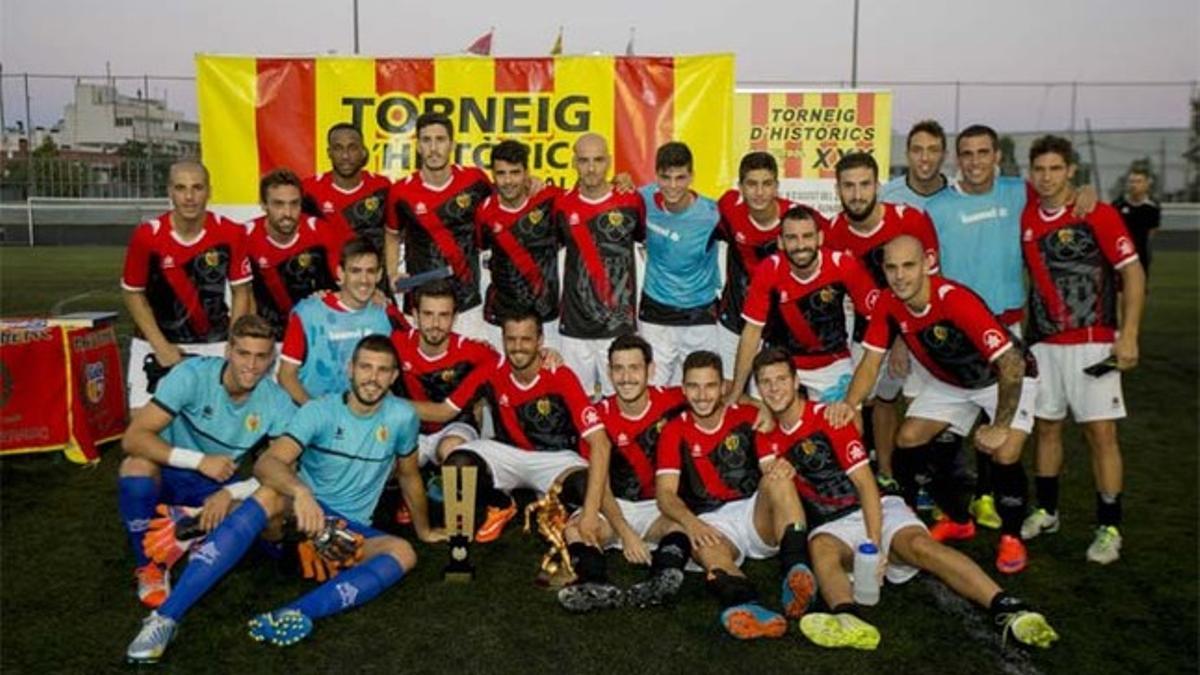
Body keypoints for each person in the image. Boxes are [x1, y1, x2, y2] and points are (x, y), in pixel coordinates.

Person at [125, 335, 435, 663]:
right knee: (271, 493)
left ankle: (295, 613)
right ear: (350, 369)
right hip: (297, 522)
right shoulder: (319, 411)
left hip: (346, 533)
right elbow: (267, 462)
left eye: (382, 370)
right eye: (365, 367)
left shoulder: (403, 417)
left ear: (394, 377)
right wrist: (302, 493)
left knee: (403, 552)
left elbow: (409, 474)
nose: (372, 378)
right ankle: (165, 618)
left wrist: (425, 529)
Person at [752, 347, 1058, 650]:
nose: (774, 388)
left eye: (781, 379)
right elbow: (775, 480)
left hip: (875, 507)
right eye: (766, 382)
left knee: (920, 547)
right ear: (758, 388)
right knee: (821, 549)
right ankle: (847, 618)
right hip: (830, 524)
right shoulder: (765, 434)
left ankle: (1008, 607)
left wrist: (872, 548)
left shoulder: (829, 417)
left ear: (795, 382)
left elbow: (867, 486)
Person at [826, 236, 1038, 574]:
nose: (900, 276)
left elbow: (1011, 363)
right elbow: (870, 362)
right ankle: (957, 519)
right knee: (909, 439)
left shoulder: (953, 299)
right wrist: (850, 405)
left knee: (1005, 451)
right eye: (891, 267)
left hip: (1005, 378)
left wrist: (999, 425)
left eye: (908, 265)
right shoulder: (888, 303)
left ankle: (1012, 536)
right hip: (951, 383)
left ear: (926, 263)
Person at [1018, 135, 1145, 565]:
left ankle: (1110, 527)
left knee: (1100, 433)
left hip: (1093, 342)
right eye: (1040, 170)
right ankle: (1048, 510)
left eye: (1056, 169)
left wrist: (1128, 334)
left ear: (1071, 170)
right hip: (1045, 342)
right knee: (1047, 427)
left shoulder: (1099, 213)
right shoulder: (1027, 216)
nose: (1047, 177)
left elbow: (1134, 274)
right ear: (1031, 174)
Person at [117, 315, 295, 609]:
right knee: (136, 467)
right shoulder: (191, 375)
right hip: (171, 472)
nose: (251, 365)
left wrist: (230, 493)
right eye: (243, 353)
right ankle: (149, 566)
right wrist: (199, 461)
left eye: (261, 356)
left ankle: (193, 524)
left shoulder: (277, 402)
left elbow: (284, 469)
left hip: (215, 486)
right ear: (228, 352)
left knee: (274, 516)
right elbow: (133, 437)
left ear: (271, 360)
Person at [654, 351, 816, 640]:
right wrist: (691, 524)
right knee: (707, 551)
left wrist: (781, 465)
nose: (702, 395)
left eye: (710, 386)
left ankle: (796, 572)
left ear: (724, 387)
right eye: (693, 386)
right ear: (683, 388)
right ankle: (748, 606)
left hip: (754, 514)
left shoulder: (749, 416)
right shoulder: (674, 430)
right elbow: (665, 494)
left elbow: (769, 469)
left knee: (778, 479)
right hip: (712, 523)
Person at [418, 309, 614, 546]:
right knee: (458, 462)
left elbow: (600, 443)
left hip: (555, 460)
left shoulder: (560, 375)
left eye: (526, 339)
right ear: (502, 340)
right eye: (511, 339)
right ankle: (499, 504)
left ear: (540, 341)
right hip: (508, 455)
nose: (518, 346)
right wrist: (389, 403)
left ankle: (555, 510)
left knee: (586, 485)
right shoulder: (491, 370)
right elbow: (444, 411)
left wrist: (590, 514)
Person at [824, 152, 939, 487]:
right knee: (876, 400)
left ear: (878, 185)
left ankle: (929, 483)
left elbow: (931, 280)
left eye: (864, 184)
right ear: (838, 190)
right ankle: (886, 475)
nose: (857, 194)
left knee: (921, 405)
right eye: (849, 186)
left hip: (917, 329)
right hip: (865, 332)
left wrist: (904, 338)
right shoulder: (835, 231)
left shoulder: (910, 221)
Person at [556, 334, 692, 612]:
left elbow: (720, 391)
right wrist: (625, 531)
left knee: (682, 527)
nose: (626, 377)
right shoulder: (596, 417)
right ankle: (595, 584)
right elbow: (599, 483)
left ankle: (661, 581)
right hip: (614, 506)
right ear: (608, 372)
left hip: (658, 507)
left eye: (634, 368)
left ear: (650, 371)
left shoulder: (674, 400)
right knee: (575, 530)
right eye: (618, 368)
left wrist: (758, 405)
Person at [121, 160, 252, 409]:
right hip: (155, 344)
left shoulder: (231, 233)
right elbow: (132, 294)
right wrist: (161, 346)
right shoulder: (147, 235)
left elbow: (241, 291)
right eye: (181, 188)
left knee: (214, 424)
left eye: (197, 188)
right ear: (169, 191)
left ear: (209, 191)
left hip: (214, 343)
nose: (189, 197)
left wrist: (234, 343)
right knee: (141, 434)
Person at [728, 206, 876, 406]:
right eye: (792, 238)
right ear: (780, 242)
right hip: (778, 362)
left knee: (849, 425)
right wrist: (736, 391)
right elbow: (752, 333)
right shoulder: (769, 269)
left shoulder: (843, 266)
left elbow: (876, 318)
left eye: (807, 236)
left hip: (831, 362)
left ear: (820, 238)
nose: (800, 245)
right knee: (763, 427)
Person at [714, 152, 828, 383]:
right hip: (734, 321)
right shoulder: (728, 206)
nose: (759, 192)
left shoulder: (802, 219)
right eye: (752, 184)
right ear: (741, 187)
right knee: (727, 392)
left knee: (771, 398)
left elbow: (837, 250)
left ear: (776, 186)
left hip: (779, 328)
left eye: (766, 184)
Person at [385, 113, 493, 339]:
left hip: (467, 302)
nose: (433, 148)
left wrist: (532, 184)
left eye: (440, 140)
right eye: (426, 140)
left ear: (452, 144)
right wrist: (393, 273)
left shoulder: (475, 181)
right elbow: (392, 235)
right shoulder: (401, 191)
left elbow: (506, 206)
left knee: (469, 368)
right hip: (421, 303)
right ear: (417, 146)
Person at [554, 133, 646, 397]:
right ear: (573, 162)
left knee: (618, 402)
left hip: (618, 326)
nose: (591, 168)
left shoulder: (631, 200)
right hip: (574, 327)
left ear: (609, 161)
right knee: (575, 402)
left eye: (598, 160)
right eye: (583, 160)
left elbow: (641, 239)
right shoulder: (562, 204)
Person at [278, 238, 404, 404]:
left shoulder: (386, 314)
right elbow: (286, 375)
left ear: (379, 275)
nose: (364, 280)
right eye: (355, 271)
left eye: (371, 271)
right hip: (314, 418)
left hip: (365, 419)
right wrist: (316, 413)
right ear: (340, 273)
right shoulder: (308, 313)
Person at [389, 279, 496, 475]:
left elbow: (514, 367)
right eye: (428, 314)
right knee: (382, 458)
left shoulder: (475, 353)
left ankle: (460, 506)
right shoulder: (396, 344)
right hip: (411, 428)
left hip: (455, 426)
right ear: (415, 315)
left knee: (454, 454)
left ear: (455, 318)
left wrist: (547, 355)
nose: (435, 324)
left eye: (444, 315)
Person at [637, 142, 722, 386]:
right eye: (666, 178)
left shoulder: (712, 214)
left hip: (700, 313)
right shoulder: (642, 199)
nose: (673, 186)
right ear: (656, 176)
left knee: (704, 388)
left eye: (680, 177)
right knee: (653, 389)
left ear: (692, 176)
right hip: (656, 311)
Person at [475, 139, 563, 350]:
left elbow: (588, 196)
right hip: (502, 318)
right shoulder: (484, 212)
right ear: (493, 176)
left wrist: (620, 180)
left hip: (547, 315)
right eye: (501, 173)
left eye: (515, 172)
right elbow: (482, 251)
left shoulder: (550, 199)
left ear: (526, 173)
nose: (508, 181)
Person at [246, 168, 353, 339]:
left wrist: (331, 296)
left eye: (294, 203)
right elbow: (243, 293)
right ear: (264, 204)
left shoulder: (320, 231)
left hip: (318, 330)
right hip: (268, 335)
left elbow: (342, 280)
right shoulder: (246, 237)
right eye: (278, 204)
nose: (287, 213)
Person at [302, 123, 392, 253]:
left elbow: (393, 234)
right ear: (329, 153)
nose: (345, 156)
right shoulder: (309, 189)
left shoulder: (381, 186)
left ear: (362, 151)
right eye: (338, 148)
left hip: (370, 269)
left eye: (352, 148)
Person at [880, 120, 950, 208]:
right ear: (907, 155)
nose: (924, 158)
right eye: (917, 150)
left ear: (944, 156)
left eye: (933, 150)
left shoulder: (959, 194)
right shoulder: (885, 197)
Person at [1112, 166, 1161, 280]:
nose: (1134, 185)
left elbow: (1152, 232)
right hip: (1119, 253)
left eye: (1138, 181)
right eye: (1131, 181)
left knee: (1138, 287)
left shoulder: (1152, 208)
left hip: (1140, 254)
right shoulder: (1118, 205)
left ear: (1146, 185)